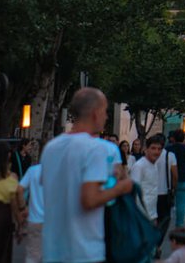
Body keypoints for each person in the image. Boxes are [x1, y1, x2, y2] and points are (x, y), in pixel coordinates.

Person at [39, 87, 133, 263]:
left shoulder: (51, 148)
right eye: (105, 111)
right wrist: (122, 187)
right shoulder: (95, 149)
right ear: (96, 113)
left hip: (52, 249)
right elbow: (89, 199)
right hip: (84, 251)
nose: (106, 117)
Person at [129, 136, 175, 239]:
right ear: (146, 149)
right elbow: (134, 191)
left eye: (159, 149)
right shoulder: (139, 166)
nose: (156, 152)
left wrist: (153, 217)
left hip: (151, 214)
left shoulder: (153, 165)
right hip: (140, 215)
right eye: (153, 148)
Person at [165, 130, 185, 232]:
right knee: (181, 203)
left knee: (166, 203)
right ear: (183, 138)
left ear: (172, 138)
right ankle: (179, 224)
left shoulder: (168, 149)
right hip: (183, 179)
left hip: (168, 181)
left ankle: (164, 222)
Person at [18, 158, 46, 263]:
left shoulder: (32, 170)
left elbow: (19, 189)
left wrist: (23, 207)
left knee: (33, 256)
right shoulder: (60, 171)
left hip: (35, 220)